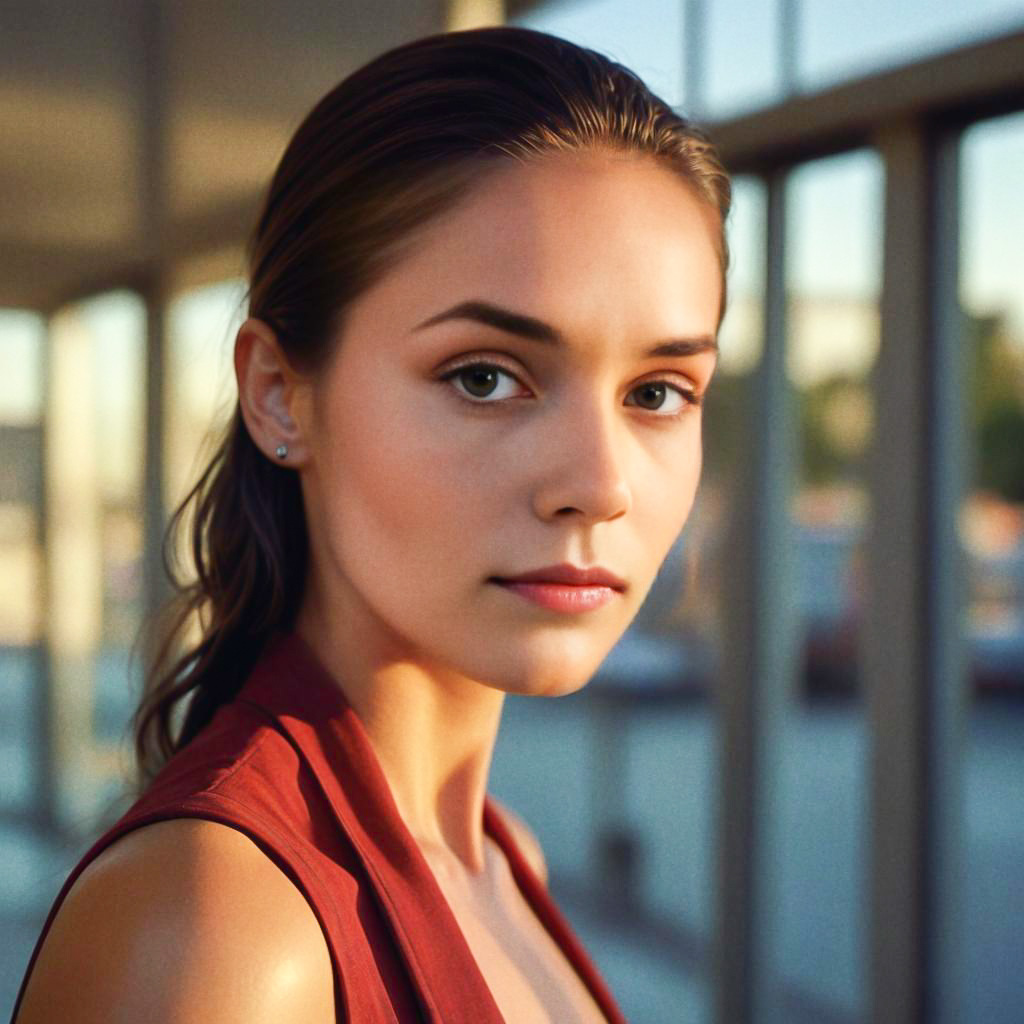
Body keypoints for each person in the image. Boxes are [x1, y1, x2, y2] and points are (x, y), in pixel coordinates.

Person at [12, 24, 729, 1024]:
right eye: (484, 377)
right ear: (278, 396)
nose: (601, 485)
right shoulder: (221, 931)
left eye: (657, 391)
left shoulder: (501, 853)